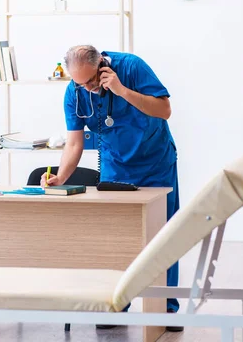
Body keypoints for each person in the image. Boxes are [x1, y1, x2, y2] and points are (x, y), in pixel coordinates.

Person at [40, 45, 182, 333]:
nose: (87, 88)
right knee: (119, 239)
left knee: (162, 236)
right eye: (80, 83)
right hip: (117, 167)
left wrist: (121, 90)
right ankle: (117, 304)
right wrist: (61, 176)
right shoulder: (75, 92)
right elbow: (75, 143)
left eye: (91, 81)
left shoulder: (131, 67)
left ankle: (166, 307)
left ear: (102, 65)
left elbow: (165, 110)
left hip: (156, 163)